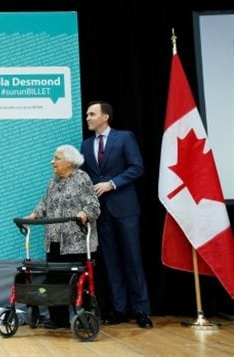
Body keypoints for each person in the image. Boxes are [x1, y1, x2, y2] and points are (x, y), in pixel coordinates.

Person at [80, 100, 153, 329]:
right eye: (87, 115)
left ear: (105, 117)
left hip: (126, 209)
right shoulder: (85, 145)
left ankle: (141, 310)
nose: (88, 118)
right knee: (111, 262)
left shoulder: (125, 138)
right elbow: (86, 177)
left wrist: (112, 183)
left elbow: (137, 167)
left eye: (92, 114)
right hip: (101, 213)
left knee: (133, 259)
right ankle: (120, 309)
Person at [23, 144, 100, 329]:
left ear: (69, 161)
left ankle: (84, 319)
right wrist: (33, 215)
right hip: (55, 241)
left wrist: (84, 213)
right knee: (55, 281)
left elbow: (94, 205)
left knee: (75, 282)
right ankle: (58, 320)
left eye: (56, 158)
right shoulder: (53, 182)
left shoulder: (82, 178)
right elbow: (44, 202)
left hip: (76, 242)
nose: (52, 161)